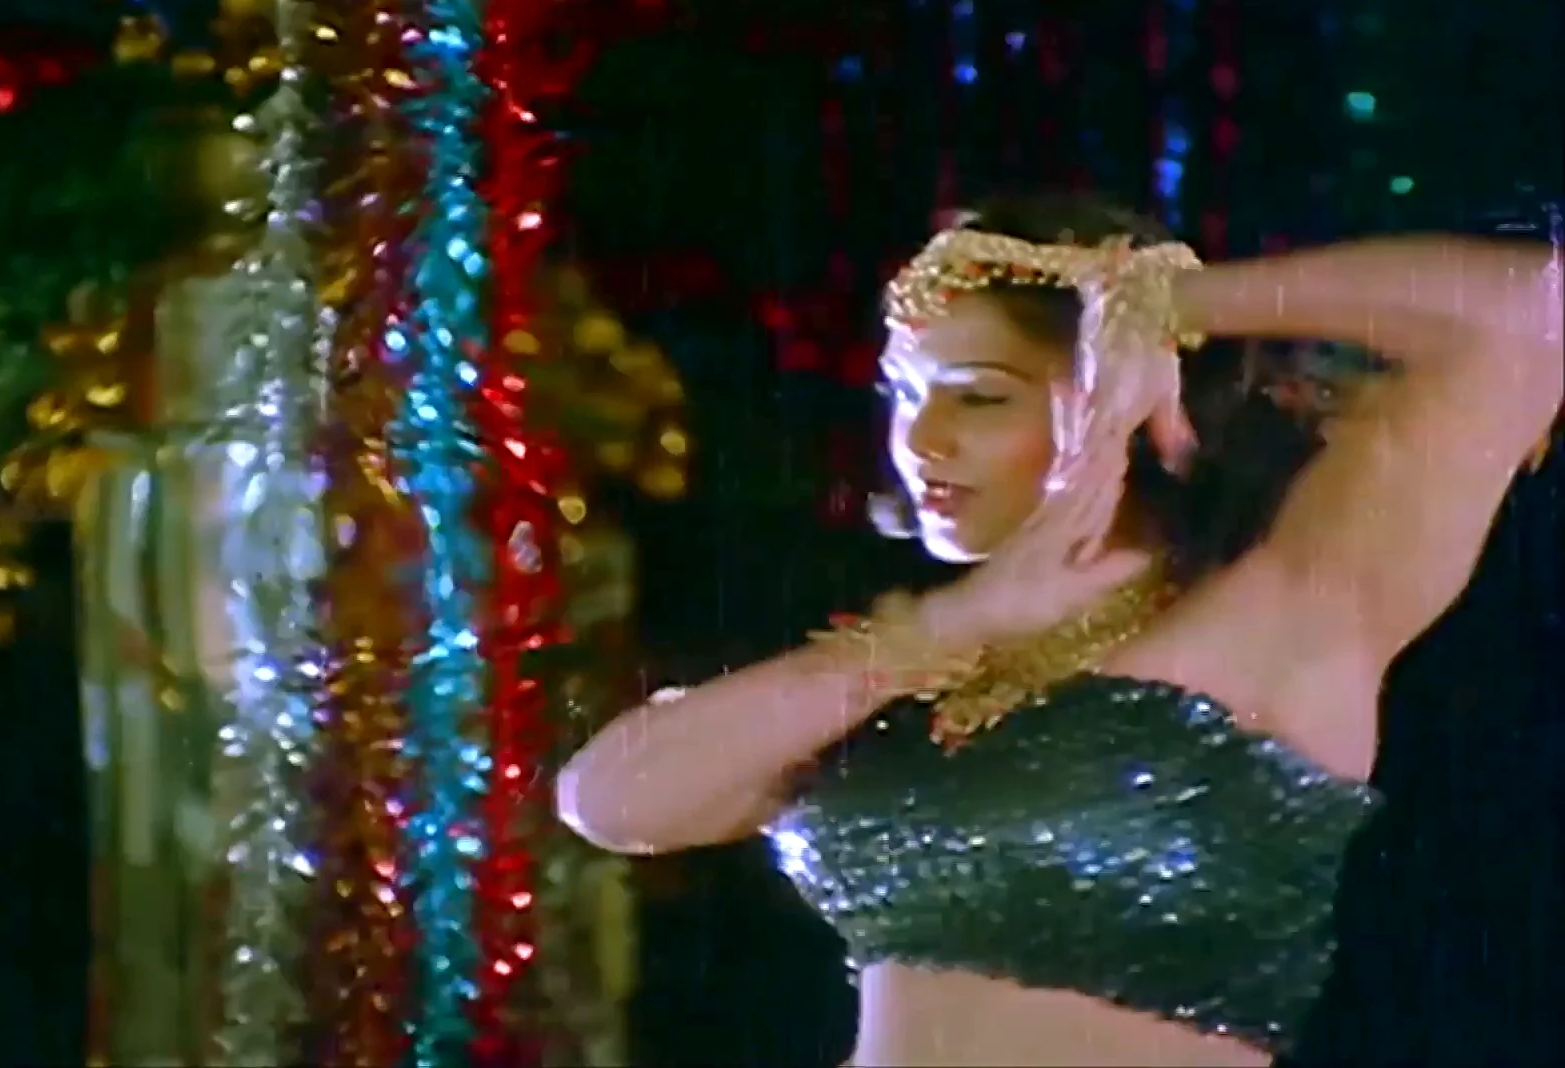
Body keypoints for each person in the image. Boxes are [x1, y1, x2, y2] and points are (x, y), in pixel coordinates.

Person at [555, 193, 1560, 1067]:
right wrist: (952, 623)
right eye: (903, 395)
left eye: (979, 396)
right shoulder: (913, 669)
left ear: (1119, 387)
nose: (920, 440)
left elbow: (1534, 312)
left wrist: (1165, 304)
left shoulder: (1284, 605)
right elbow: (611, 801)